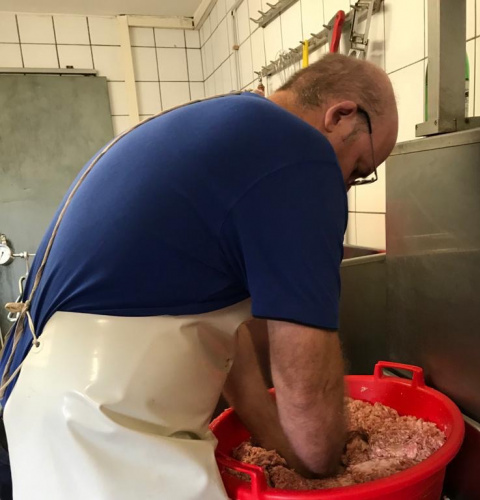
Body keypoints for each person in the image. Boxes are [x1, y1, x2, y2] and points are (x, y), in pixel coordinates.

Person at [0, 53, 397, 500]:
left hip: (47, 409)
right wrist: (328, 467)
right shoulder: (300, 152)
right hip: (104, 428)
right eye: (358, 169)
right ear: (341, 115)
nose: (345, 187)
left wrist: (284, 448)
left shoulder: (231, 126)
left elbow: (220, 336)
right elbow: (305, 385)